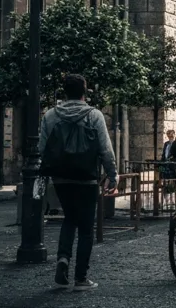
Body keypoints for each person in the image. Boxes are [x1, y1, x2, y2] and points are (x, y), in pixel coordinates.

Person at [39, 74, 118, 290]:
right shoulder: (94, 115)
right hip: (87, 178)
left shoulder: (51, 116)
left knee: (69, 220)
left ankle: (63, 259)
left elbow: (42, 148)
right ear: (85, 91)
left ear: (64, 91)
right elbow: (105, 149)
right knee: (85, 228)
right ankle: (81, 278)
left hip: (61, 178)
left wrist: (42, 175)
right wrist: (113, 174)